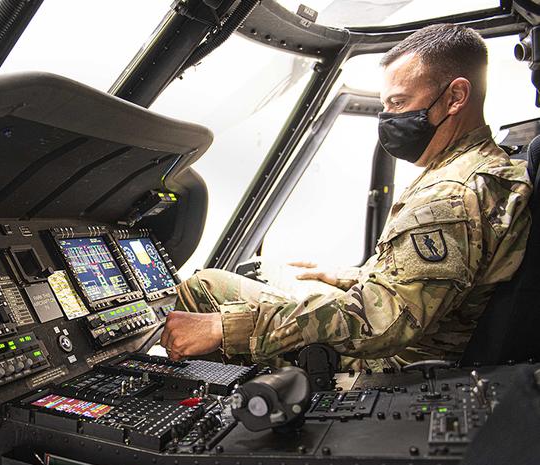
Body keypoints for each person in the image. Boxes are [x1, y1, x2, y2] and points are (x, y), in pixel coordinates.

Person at [160, 23, 532, 370]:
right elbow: (429, 281)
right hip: (423, 339)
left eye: (399, 103)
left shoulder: (451, 194)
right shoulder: (484, 168)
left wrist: (226, 329)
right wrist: (345, 276)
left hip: (394, 364)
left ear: (455, 96)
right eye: (385, 104)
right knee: (282, 278)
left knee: (206, 286)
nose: (387, 117)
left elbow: (383, 323)